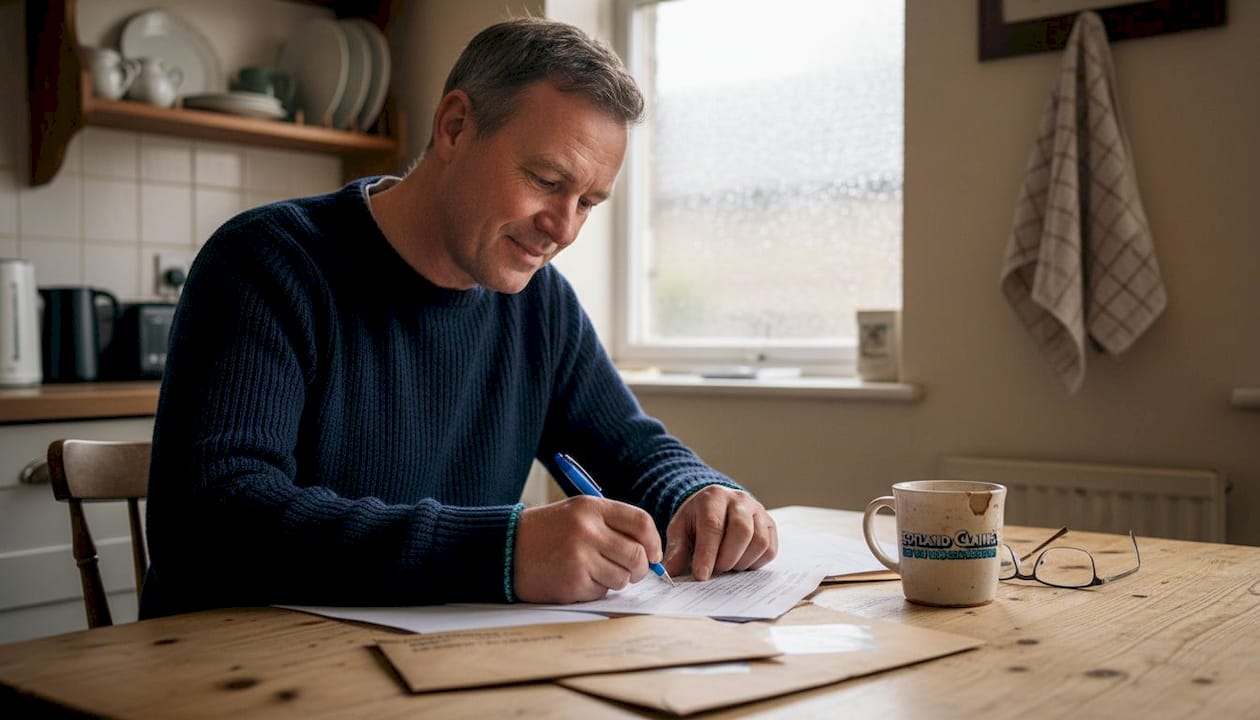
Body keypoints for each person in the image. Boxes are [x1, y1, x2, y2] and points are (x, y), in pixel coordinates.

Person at [141, 17, 777, 618]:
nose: (563, 228)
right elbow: (209, 519)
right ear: (454, 126)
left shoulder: (541, 304)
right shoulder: (268, 262)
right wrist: (501, 551)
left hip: (441, 667)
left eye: (588, 202)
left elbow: (630, 449)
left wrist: (701, 496)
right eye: (545, 180)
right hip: (239, 665)